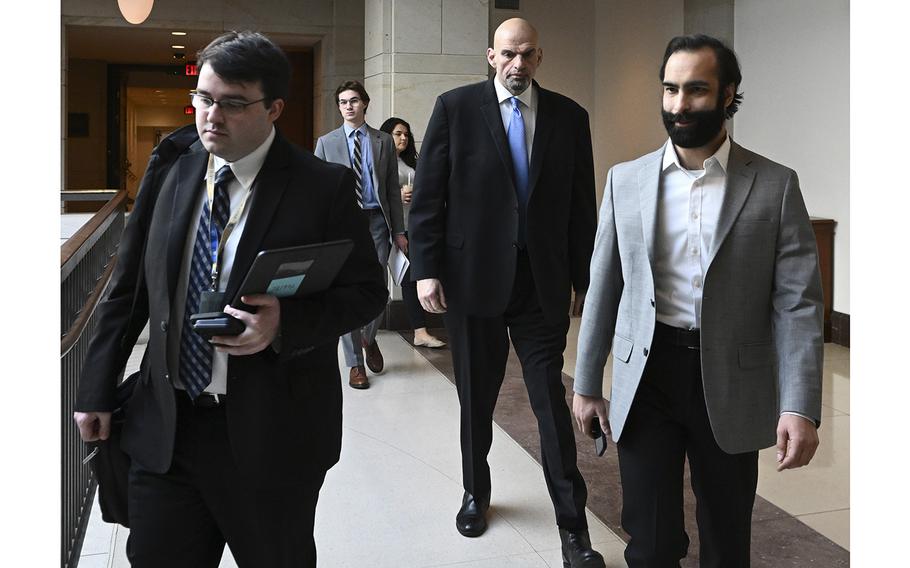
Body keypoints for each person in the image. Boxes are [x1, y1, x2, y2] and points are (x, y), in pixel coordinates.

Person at [72, 31, 388, 568]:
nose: (211, 116)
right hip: (167, 427)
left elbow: (365, 293)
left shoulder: (321, 187)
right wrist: (95, 387)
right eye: (204, 98)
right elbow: (129, 288)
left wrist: (285, 323)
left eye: (233, 103)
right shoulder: (172, 164)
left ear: (274, 109)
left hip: (271, 435)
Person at [572, 34, 824, 567]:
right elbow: (605, 286)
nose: (680, 104)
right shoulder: (626, 180)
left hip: (732, 380)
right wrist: (588, 383)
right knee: (651, 540)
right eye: (670, 89)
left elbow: (797, 304)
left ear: (729, 94)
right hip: (648, 376)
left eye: (696, 90)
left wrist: (799, 404)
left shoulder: (775, 185)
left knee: (727, 537)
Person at [408, 18, 604, 567]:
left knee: (549, 403)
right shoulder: (455, 108)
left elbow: (579, 207)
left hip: (541, 284)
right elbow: (427, 198)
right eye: (508, 54)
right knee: (477, 397)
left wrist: (586, 283)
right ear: (490, 56)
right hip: (472, 283)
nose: (518, 65)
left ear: (540, 58)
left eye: (528, 55)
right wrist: (426, 269)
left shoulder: (569, 117)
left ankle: (573, 528)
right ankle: (476, 492)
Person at [315, 81, 407, 389]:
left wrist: (399, 230)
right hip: (343, 225)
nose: (349, 106)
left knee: (377, 288)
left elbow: (392, 190)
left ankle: (368, 338)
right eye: (343, 102)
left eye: (354, 101)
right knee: (344, 291)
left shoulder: (382, 141)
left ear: (364, 104)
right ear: (339, 107)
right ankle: (355, 363)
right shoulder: (326, 143)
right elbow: (318, 192)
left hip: (377, 222)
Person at [378, 116, 446, 349]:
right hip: (390, 228)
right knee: (395, 280)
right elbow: (373, 195)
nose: (403, 138)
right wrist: (397, 194)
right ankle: (416, 331)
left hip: (414, 227)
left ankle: (422, 331)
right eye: (398, 134)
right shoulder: (379, 161)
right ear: (387, 135)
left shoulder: (413, 162)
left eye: (406, 134)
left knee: (416, 277)